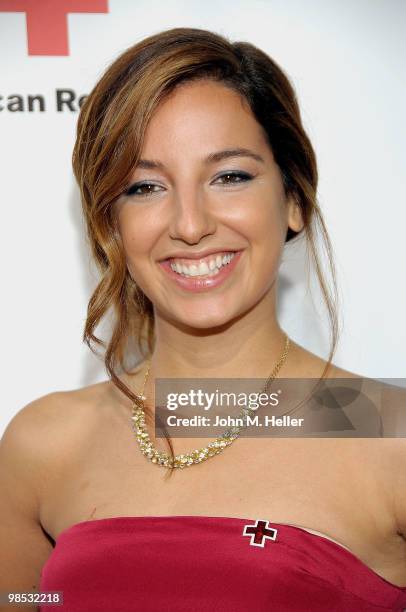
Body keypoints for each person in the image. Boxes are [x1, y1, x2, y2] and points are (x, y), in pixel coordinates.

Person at [1, 26, 405, 612]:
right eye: (145, 186)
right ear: (111, 224)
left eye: (230, 176)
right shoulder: (44, 444)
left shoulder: (387, 436)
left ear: (293, 199)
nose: (189, 224)